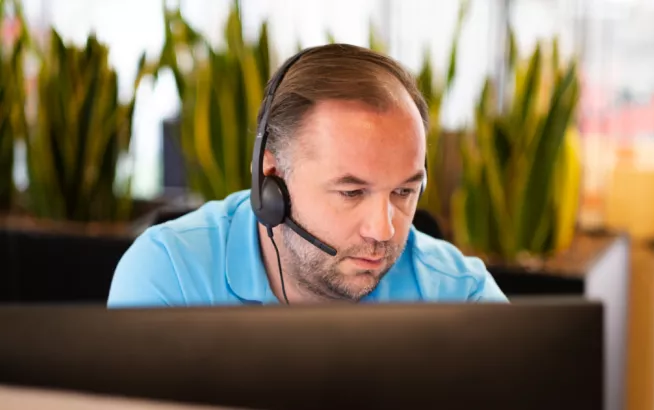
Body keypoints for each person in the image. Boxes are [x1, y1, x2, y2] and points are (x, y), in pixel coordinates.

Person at [107, 43, 507, 307]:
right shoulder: (168, 276)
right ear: (272, 178)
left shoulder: (460, 293)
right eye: (351, 192)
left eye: (404, 191)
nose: (383, 231)